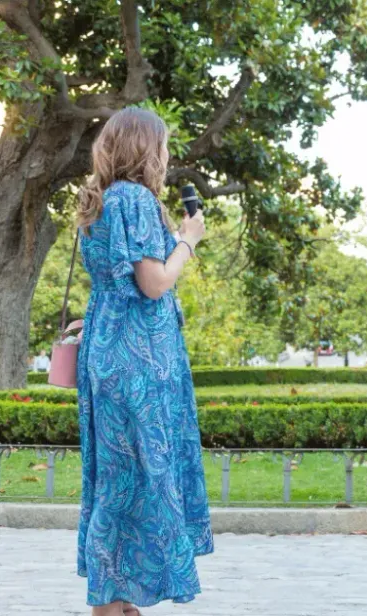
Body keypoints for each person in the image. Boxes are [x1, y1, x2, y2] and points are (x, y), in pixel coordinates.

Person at [75, 107, 213, 616]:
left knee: (119, 475)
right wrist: (187, 241)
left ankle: (121, 592)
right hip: (139, 358)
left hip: (110, 347)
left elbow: (113, 281)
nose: (168, 154)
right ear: (145, 149)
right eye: (164, 145)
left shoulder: (100, 201)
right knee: (142, 472)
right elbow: (153, 282)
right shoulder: (134, 199)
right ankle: (110, 602)